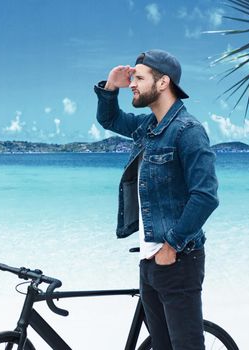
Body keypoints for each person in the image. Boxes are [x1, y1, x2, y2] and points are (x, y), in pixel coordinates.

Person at [94, 49, 219, 350]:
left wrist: (171, 246)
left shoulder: (188, 132)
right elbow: (109, 118)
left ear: (163, 83)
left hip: (177, 260)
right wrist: (111, 86)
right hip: (149, 261)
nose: (133, 83)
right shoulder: (147, 127)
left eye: (139, 78)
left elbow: (206, 196)